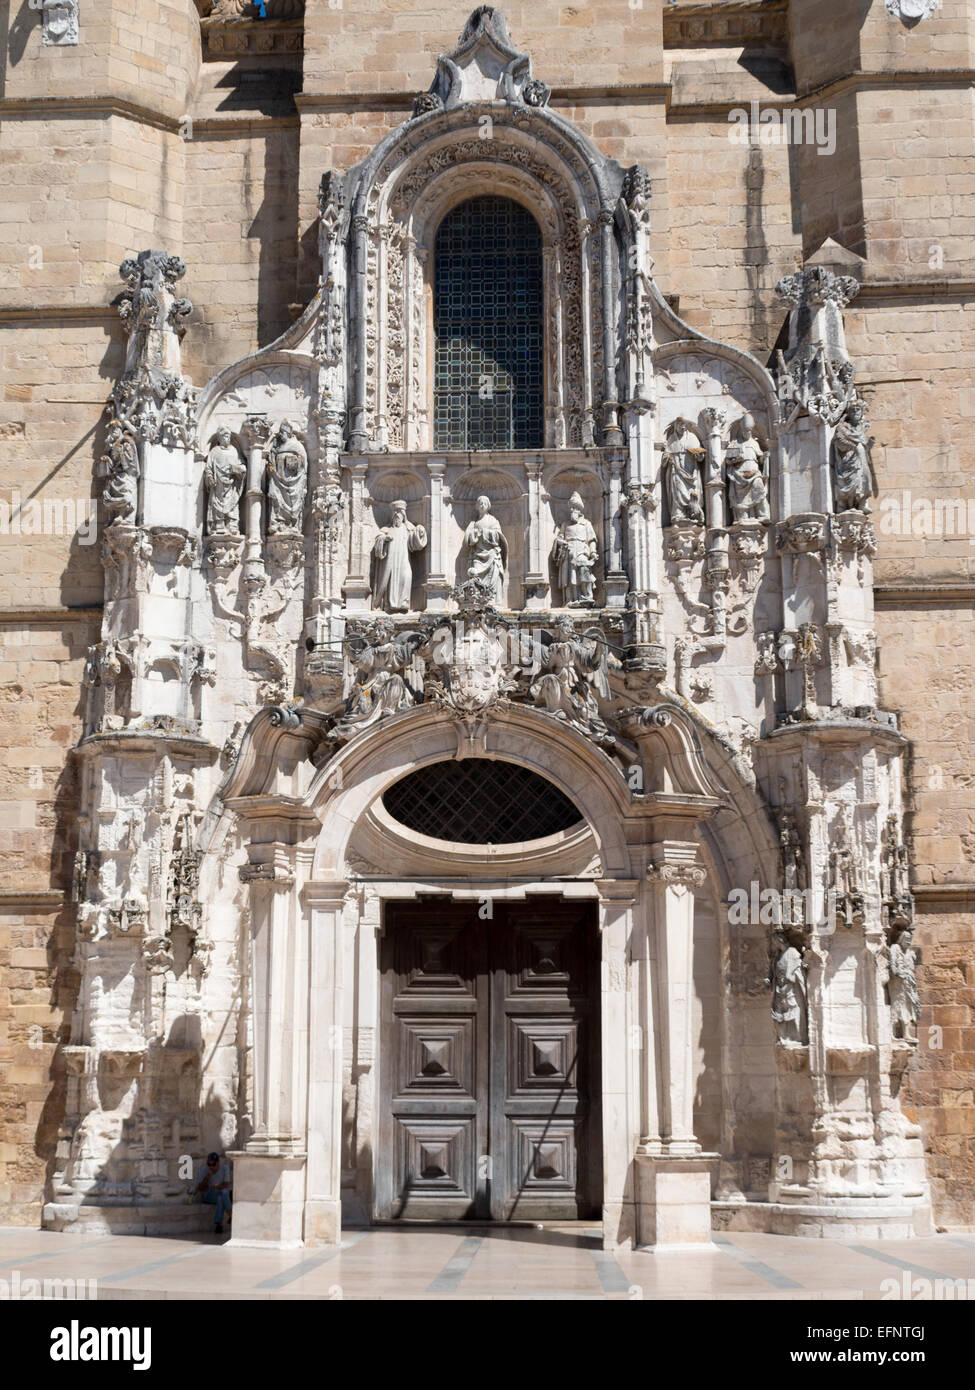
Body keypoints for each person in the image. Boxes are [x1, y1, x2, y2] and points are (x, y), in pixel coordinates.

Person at [195, 1151, 232, 1233]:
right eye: (209, 1164)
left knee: (221, 1196)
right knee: (223, 1193)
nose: (211, 1167)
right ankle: (231, 1214)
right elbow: (200, 1189)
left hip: (220, 1192)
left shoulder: (225, 1168)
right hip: (209, 1195)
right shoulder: (205, 1170)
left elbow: (226, 1184)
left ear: (218, 1163)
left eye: (213, 1164)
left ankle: (218, 1225)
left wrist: (217, 1187)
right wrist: (206, 1179)